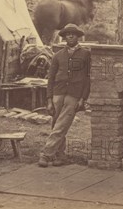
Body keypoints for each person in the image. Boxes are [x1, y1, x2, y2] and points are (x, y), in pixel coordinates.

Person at [38, 23, 90, 167]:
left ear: (78, 36)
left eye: (73, 33)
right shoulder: (58, 56)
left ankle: (46, 154)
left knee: (61, 125)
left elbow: (87, 78)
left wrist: (83, 99)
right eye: (68, 34)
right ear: (65, 37)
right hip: (58, 93)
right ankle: (61, 156)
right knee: (56, 125)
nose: (71, 36)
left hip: (74, 95)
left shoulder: (85, 54)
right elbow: (50, 78)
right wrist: (49, 100)